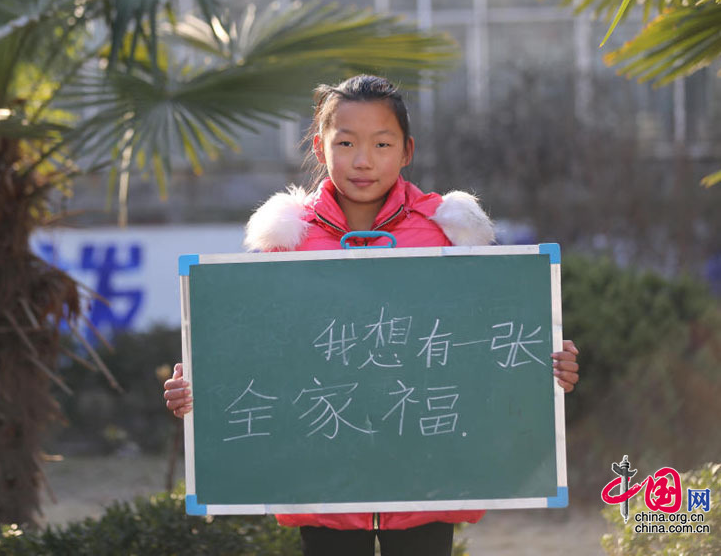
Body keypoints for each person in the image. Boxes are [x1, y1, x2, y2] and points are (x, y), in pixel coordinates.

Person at [163, 74, 581, 556]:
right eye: (345, 143)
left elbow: (486, 345)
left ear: (407, 150)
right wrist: (199, 388)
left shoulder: (445, 233)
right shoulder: (287, 243)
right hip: (322, 486)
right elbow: (257, 357)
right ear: (320, 150)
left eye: (382, 143)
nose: (363, 160)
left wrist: (546, 369)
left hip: (427, 481)